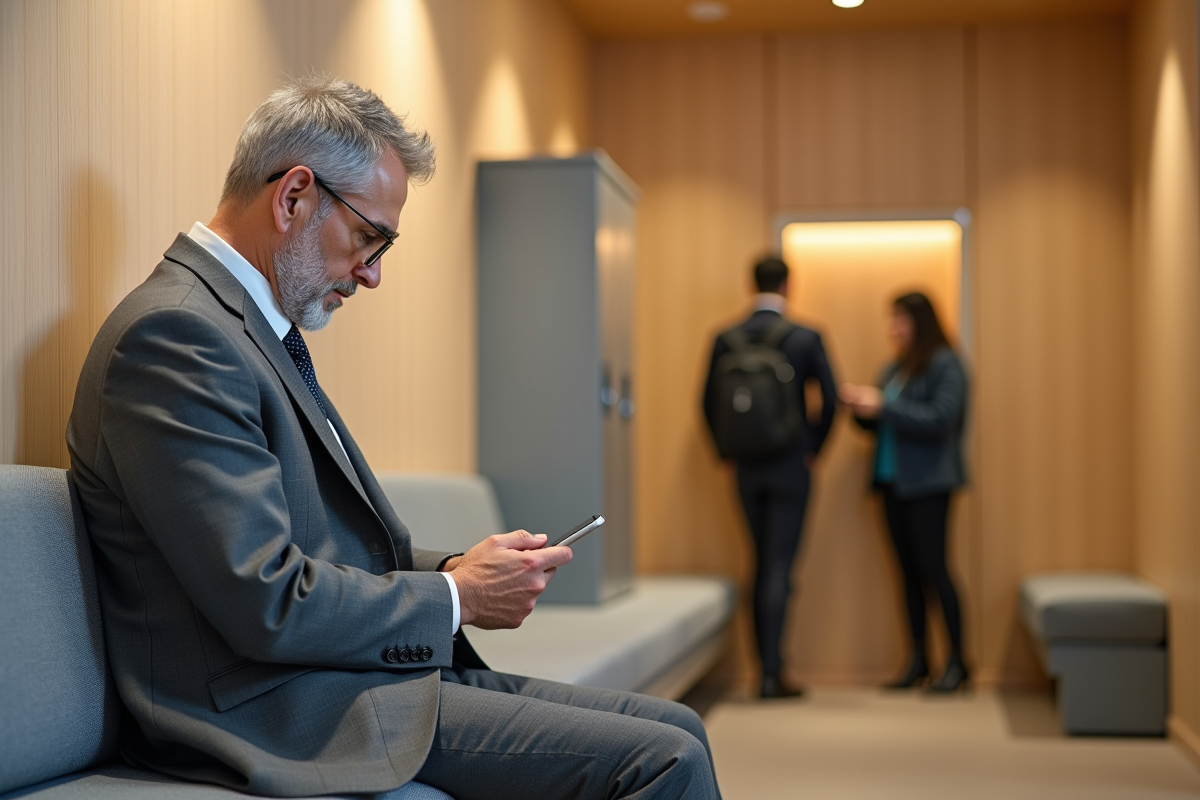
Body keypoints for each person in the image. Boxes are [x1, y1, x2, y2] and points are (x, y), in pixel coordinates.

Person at [66, 75, 720, 800]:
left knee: (679, 727)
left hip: (336, 677)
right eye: (369, 238)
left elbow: (319, 548)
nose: (372, 275)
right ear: (293, 197)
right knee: (665, 761)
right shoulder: (178, 337)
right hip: (270, 707)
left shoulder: (243, 330)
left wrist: (464, 566)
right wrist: (455, 597)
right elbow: (266, 600)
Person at [702, 255, 837, 700]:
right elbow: (831, 401)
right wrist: (813, 449)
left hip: (745, 467)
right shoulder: (805, 336)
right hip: (790, 465)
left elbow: (705, 404)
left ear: (750, 284)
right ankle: (773, 674)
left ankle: (761, 671)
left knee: (758, 562)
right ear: (788, 287)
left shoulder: (726, 337)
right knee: (779, 565)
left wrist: (726, 452)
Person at [839, 291, 970, 693]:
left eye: (900, 319)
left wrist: (883, 407)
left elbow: (941, 419)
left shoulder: (947, 363)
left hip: (929, 484)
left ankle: (957, 664)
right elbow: (884, 424)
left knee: (936, 571)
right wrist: (862, 409)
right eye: (890, 319)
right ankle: (918, 660)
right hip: (892, 483)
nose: (892, 328)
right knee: (908, 576)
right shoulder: (894, 368)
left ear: (921, 321)